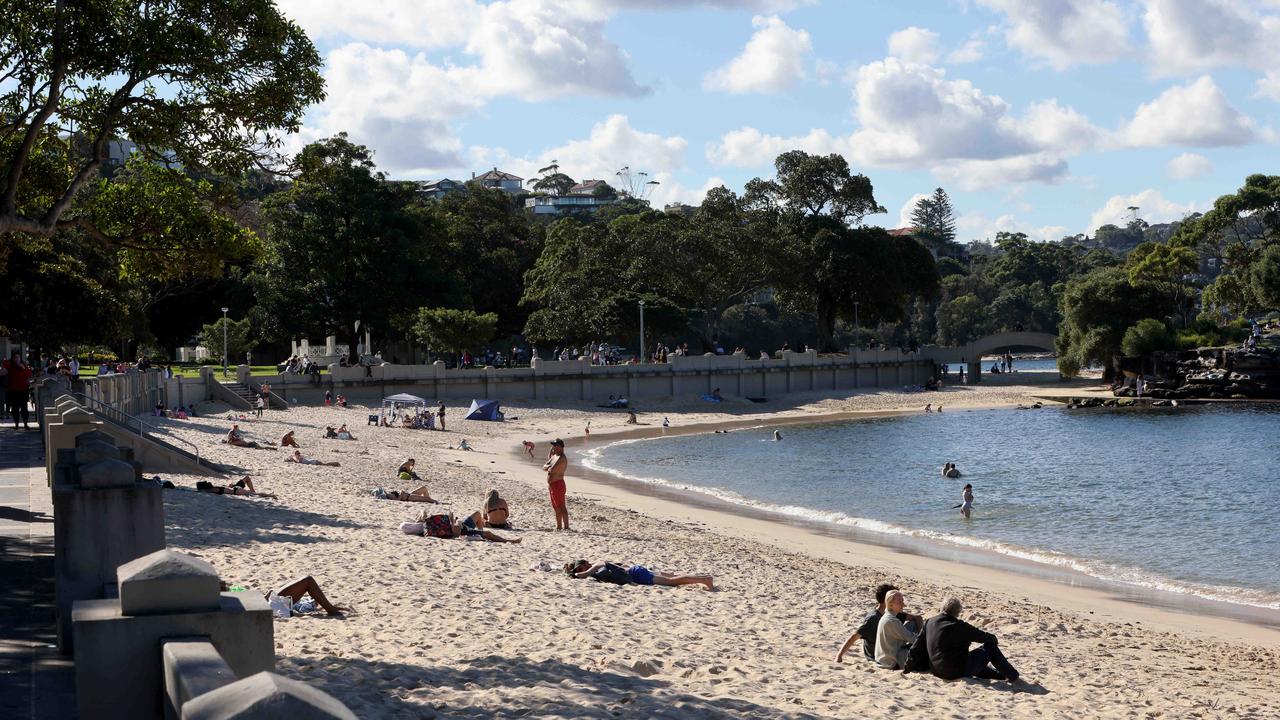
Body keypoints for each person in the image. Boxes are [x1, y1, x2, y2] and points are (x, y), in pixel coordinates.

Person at [905, 597, 1021, 683]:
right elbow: (990, 638)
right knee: (990, 648)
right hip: (957, 671)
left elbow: (916, 648)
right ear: (958, 612)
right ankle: (1014, 676)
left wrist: (907, 668)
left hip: (936, 669)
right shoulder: (959, 626)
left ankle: (1000, 676)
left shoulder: (930, 622)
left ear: (942, 608)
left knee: (975, 661)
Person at [836, 583, 924, 663]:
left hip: (892, 645)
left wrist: (921, 632)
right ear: (888, 600)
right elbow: (854, 637)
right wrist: (839, 656)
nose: (902, 603)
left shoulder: (894, 612)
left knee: (913, 623)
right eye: (896, 599)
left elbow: (917, 618)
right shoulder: (873, 619)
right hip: (876, 656)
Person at [565, 559, 713, 590]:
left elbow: (586, 573)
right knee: (670, 577)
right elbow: (621, 565)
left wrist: (575, 575)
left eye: (580, 568)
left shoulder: (597, 564)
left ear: (585, 563)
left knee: (671, 581)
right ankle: (703, 578)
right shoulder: (599, 567)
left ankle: (705, 580)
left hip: (637, 574)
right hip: (636, 570)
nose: (581, 570)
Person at [406, 510, 521, 543]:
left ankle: (479, 531)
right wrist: (452, 521)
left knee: (477, 514)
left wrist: (453, 520)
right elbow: (453, 533)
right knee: (488, 534)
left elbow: (422, 512)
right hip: (462, 531)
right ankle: (508, 540)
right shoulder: (428, 529)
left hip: (462, 526)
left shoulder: (426, 524)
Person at [875, 590, 918, 669]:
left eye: (902, 600)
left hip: (883, 658)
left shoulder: (887, 616)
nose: (903, 604)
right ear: (890, 604)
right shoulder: (892, 621)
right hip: (891, 662)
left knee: (913, 623)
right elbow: (914, 640)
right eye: (899, 601)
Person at [273, 576, 349, 616]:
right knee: (308, 580)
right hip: (270, 604)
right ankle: (332, 610)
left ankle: (331, 609)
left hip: (268, 603)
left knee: (302, 581)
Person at [1, 351, 33, 429]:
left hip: (23, 390)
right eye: (15, 357)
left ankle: (25, 424)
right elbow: (4, 365)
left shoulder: (24, 365)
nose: (17, 359)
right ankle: (16, 424)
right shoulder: (10, 364)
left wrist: (23, 367)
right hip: (13, 390)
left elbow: (28, 375)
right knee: (15, 408)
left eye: (18, 357)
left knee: (24, 408)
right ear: (13, 358)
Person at [543, 438, 570, 531]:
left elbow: (552, 469)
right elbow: (544, 466)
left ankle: (566, 527)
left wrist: (548, 466)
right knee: (555, 507)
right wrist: (548, 466)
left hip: (558, 484)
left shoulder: (561, 457)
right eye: (553, 445)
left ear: (560, 447)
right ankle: (559, 526)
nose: (553, 447)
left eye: (555, 445)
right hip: (552, 485)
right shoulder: (554, 456)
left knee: (561, 506)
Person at [196, 476, 276, 498]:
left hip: (235, 488)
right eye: (206, 483)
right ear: (205, 486)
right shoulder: (212, 489)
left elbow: (203, 490)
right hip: (236, 490)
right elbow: (205, 491)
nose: (208, 482)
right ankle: (269, 495)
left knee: (247, 478)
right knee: (254, 494)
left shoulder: (213, 488)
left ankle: (255, 491)